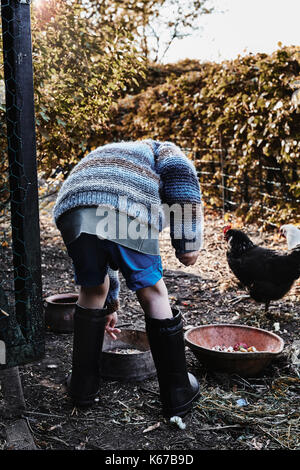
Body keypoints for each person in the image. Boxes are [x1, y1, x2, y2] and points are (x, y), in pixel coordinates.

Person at [53, 139, 204, 418]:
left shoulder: (111, 154)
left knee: (93, 287)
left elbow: (107, 250)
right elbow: (182, 177)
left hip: (73, 208)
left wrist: (111, 306)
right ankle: (178, 392)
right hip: (124, 205)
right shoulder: (163, 149)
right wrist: (188, 243)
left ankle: (82, 388)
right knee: (153, 291)